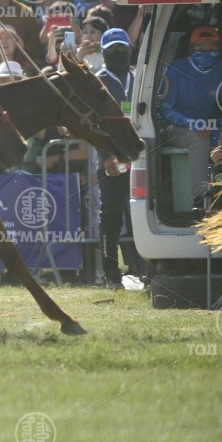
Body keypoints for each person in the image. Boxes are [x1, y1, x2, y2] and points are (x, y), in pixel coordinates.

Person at [158, 26, 222, 208]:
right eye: (201, 48)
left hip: (212, 125)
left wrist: (219, 127)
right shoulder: (175, 69)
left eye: (212, 48)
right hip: (179, 127)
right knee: (199, 138)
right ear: (191, 48)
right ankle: (201, 198)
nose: (206, 52)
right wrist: (193, 123)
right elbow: (165, 110)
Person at [95, 29, 145, 288]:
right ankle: (111, 273)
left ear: (129, 49)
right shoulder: (97, 81)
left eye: (121, 48)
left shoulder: (140, 78)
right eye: (112, 49)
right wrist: (106, 156)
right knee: (111, 218)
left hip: (141, 158)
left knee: (143, 213)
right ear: (103, 53)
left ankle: (146, 270)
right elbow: (93, 125)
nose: (117, 53)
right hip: (111, 161)